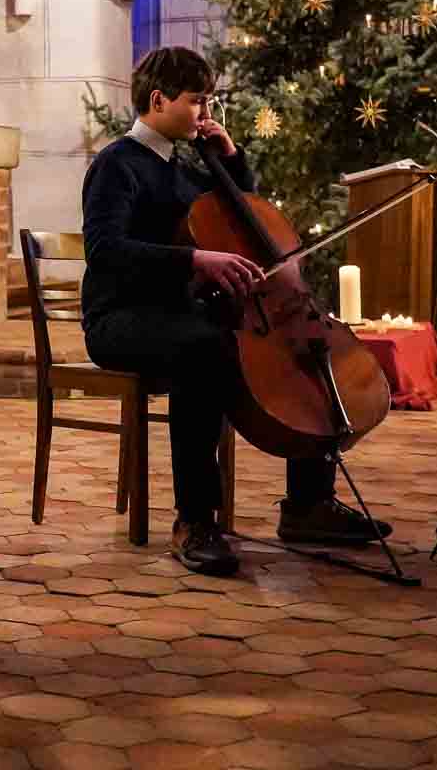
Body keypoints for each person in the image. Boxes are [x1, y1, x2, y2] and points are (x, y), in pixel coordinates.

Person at [80, 47, 389, 577]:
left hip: (182, 311)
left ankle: (308, 506)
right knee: (206, 349)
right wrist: (193, 258)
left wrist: (230, 160)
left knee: (296, 347)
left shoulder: (183, 167)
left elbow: (248, 221)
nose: (206, 113)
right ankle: (195, 521)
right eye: (198, 101)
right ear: (160, 99)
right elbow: (104, 251)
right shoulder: (117, 165)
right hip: (121, 318)